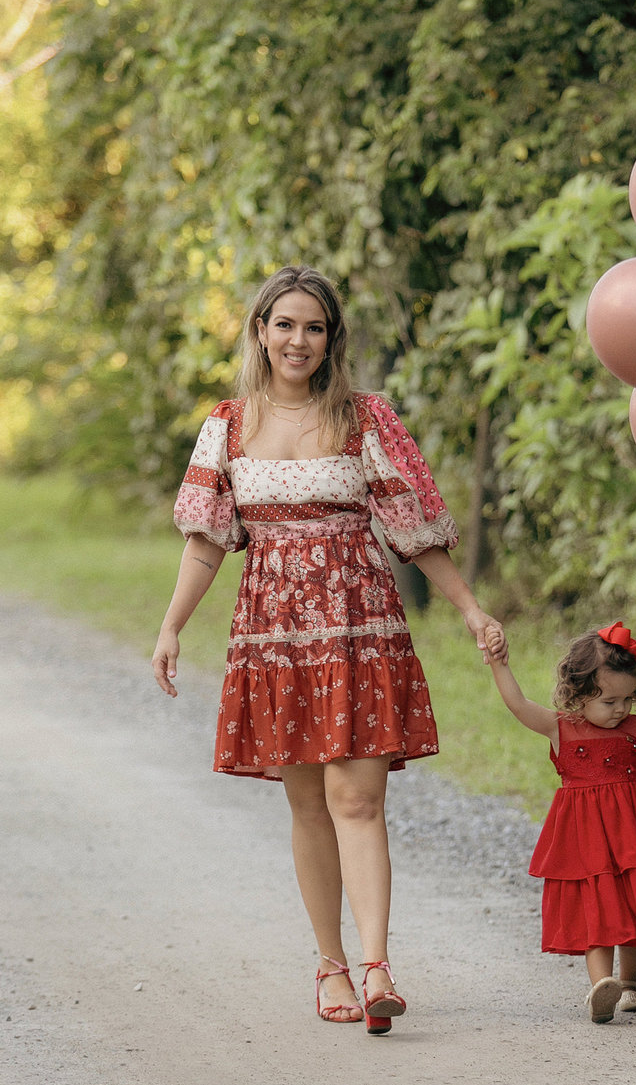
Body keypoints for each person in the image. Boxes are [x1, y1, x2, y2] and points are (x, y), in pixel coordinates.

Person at [152, 263, 504, 1034]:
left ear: (331, 338)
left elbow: (412, 526)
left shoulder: (364, 419)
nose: (298, 340)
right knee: (309, 804)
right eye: (285, 325)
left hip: (358, 626)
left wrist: (470, 608)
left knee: (358, 799)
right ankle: (330, 964)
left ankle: (377, 968)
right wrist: (173, 625)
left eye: (314, 327)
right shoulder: (228, 425)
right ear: (260, 332)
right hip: (274, 636)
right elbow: (208, 541)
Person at [488, 621, 636, 1022]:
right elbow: (518, 704)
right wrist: (499, 662)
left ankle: (630, 982)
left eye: (629, 698)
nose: (621, 709)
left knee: (635, 903)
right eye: (610, 700)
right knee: (596, 908)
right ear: (579, 693)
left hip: (635, 833)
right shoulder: (561, 728)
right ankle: (602, 987)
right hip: (587, 838)